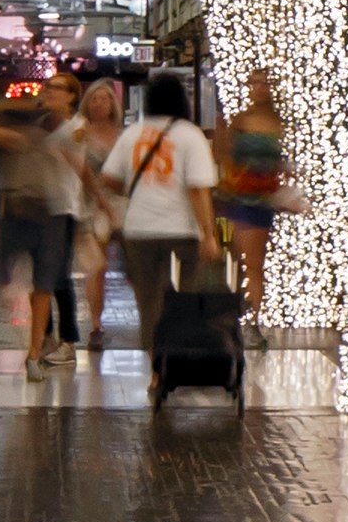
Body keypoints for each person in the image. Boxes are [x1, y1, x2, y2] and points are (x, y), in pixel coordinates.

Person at [100, 70, 221, 355]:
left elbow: (109, 178)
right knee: (179, 301)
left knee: (148, 303)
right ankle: (172, 361)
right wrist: (208, 235)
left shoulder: (133, 133)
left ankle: (156, 368)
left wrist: (136, 189)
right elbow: (198, 189)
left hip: (139, 232)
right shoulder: (190, 136)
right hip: (182, 233)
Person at [0, 83, 86, 373]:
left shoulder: (77, 126)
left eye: (58, 89)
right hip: (41, 209)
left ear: (72, 95)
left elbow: (83, 162)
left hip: (66, 206)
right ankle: (45, 338)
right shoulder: (41, 124)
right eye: (49, 88)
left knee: (60, 278)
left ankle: (67, 341)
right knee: (42, 280)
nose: (50, 93)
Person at [213, 63, 294, 324]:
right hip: (244, 198)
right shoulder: (241, 120)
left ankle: (253, 315)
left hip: (265, 199)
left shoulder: (280, 123)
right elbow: (224, 155)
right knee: (245, 260)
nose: (258, 89)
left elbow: (282, 162)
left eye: (263, 83)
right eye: (253, 83)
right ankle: (247, 312)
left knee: (253, 263)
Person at [68, 72, 127, 349]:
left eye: (105, 99)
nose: (100, 104)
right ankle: (96, 324)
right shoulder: (79, 133)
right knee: (96, 266)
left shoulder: (123, 135)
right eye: (95, 99)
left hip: (121, 204)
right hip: (90, 205)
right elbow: (76, 168)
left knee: (131, 264)